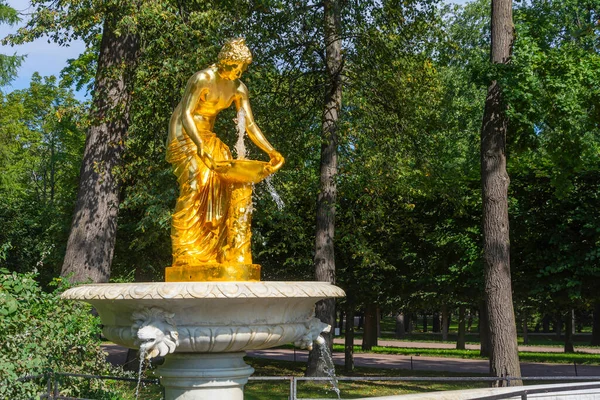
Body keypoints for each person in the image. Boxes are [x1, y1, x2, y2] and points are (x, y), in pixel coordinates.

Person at [166, 38, 284, 275]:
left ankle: (210, 252)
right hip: (183, 133)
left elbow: (250, 124)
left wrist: (271, 151)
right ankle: (184, 251)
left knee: (222, 181)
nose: (240, 72)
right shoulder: (202, 79)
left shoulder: (238, 88)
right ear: (226, 61)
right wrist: (198, 145)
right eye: (237, 66)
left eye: (243, 68)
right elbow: (187, 113)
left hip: (207, 135)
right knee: (194, 179)